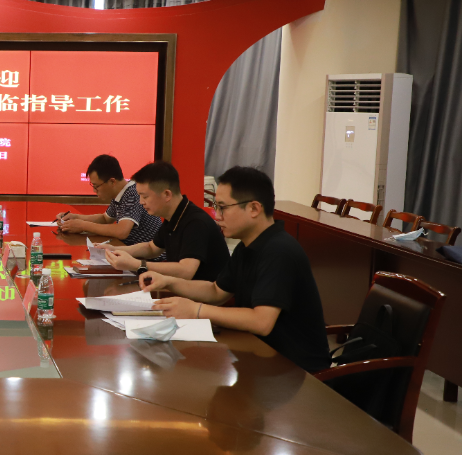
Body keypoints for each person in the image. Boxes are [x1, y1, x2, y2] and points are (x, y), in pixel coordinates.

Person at [142, 166, 331, 373]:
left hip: (296, 370)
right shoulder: (246, 246)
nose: (216, 215)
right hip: (260, 354)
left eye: (222, 207)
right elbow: (216, 291)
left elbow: (261, 321)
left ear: (254, 209)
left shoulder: (279, 251)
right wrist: (169, 282)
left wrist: (196, 310)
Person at [103, 161, 230, 281]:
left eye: (145, 196)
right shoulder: (175, 215)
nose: (141, 202)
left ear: (167, 195)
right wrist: (114, 249)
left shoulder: (195, 222)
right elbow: (152, 248)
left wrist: (137, 264)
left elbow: (186, 271)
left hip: (205, 293)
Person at [56, 154, 161, 247]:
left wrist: (83, 225)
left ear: (112, 182)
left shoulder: (132, 193)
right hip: (129, 251)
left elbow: (122, 231)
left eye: (96, 186)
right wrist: (75, 217)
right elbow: (105, 219)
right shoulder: (120, 193)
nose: (94, 190)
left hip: (149, 258)